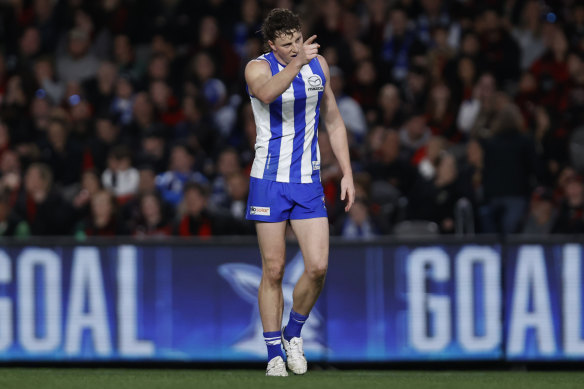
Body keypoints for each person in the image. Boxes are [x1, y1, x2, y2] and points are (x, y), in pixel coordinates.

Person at [244, 9, 354, 377]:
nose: (295, 48)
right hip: (269, 180)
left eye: (298, 40)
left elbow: (334, 119)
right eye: (287, 44)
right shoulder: (257, 69)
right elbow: (267, 93)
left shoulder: (318, 65)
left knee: (318, 266)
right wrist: (297, 63)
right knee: (273, 269)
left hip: (307, 180)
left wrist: (348, 173)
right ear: (272, 44)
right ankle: (274, 352)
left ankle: (293, 333)